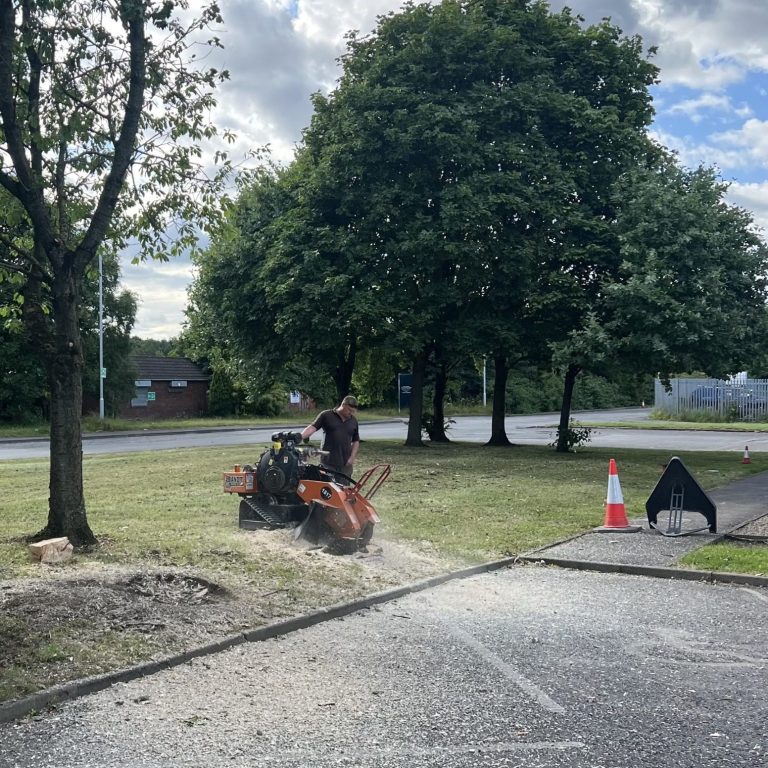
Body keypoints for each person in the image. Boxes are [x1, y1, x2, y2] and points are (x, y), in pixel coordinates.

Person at [301, 395, 360, 482]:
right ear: (343, 405)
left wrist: (352, 457)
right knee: (328, 491)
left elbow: (356, 441)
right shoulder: (326, 415)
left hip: (345, 465)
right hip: (328, 464)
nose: (351, 413)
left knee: (343, 492)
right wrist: (299, 436)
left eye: (353, 411)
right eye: (349, 410)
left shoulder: (353, 421)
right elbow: (312, 427)